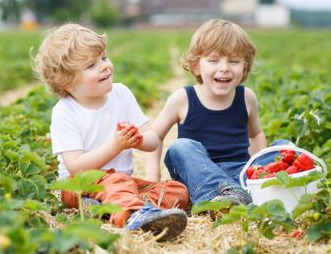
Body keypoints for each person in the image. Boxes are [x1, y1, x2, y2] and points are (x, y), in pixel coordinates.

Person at [33, 23, 189, 241]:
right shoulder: (65, 111)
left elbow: (153, 140)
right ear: (66, 83)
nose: (104, 66)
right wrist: (116, 146)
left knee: (176, 191)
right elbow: (76, 166)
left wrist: (138, 140)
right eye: (91, 65)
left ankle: (107, 209)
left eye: (104, 58)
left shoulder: (122, 94)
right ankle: (135, 216)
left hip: (122, 182)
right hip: (78, 186)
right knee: (117, 181)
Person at [146, 19, 283, 209]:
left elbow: (256, 134)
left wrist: (258, 169)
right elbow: (155, 137)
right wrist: (154, 177)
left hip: (240, 171)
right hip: (199, 175)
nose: (224, 67)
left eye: (234, 61)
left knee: (284, 148)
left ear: (245, 67)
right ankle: (225, 196)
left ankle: (244, 193)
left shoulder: (247, 97)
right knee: (179, 148)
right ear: (195, 66)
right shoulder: (183, 99)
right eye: (213, 60)